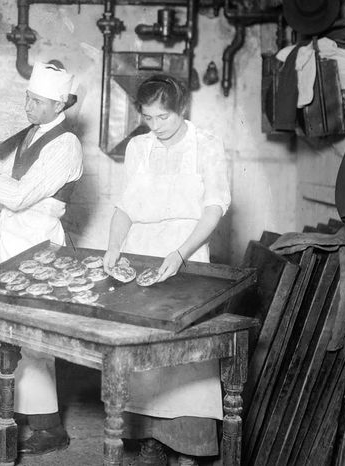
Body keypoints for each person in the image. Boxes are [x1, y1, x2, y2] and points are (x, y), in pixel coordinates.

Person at [0, 61, 84, 456]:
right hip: (14, 240)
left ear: (60, 104)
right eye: (28, 96)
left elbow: (17, 196)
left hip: (39, 244)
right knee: (5, 332)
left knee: (34, 337)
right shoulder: (32, 133)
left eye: (38, 101)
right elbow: (4, 178)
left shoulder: (65, 144)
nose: (28, 105)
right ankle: (11, 411)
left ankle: (49, 426)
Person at [102, 74, 231, 465]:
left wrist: (181, 253)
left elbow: (214, 208)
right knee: (142, 353)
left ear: (182, 110)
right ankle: (149, 440)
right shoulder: (139, 147)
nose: (155, 127)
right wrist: (113, 247)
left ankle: (190, 444)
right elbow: (125, 206)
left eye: (164, 118)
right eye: (148, 118)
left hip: (187, 251)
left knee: (185, 355)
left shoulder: (206, 145)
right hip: (142, 255)